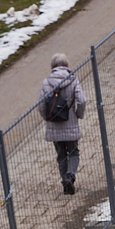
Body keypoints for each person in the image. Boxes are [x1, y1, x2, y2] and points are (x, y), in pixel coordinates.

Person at [40, 53, 87, 195]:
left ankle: (64, 182)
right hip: (71, 122)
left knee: (61, 154)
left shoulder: (46, 82)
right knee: (73, 152)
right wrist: (78, 114)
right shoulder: (73, 80)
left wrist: (48, 118)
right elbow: (82, 100)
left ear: (52, 67)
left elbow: (41, 105)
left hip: (54, 124)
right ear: (66, 65)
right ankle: (70, 176)